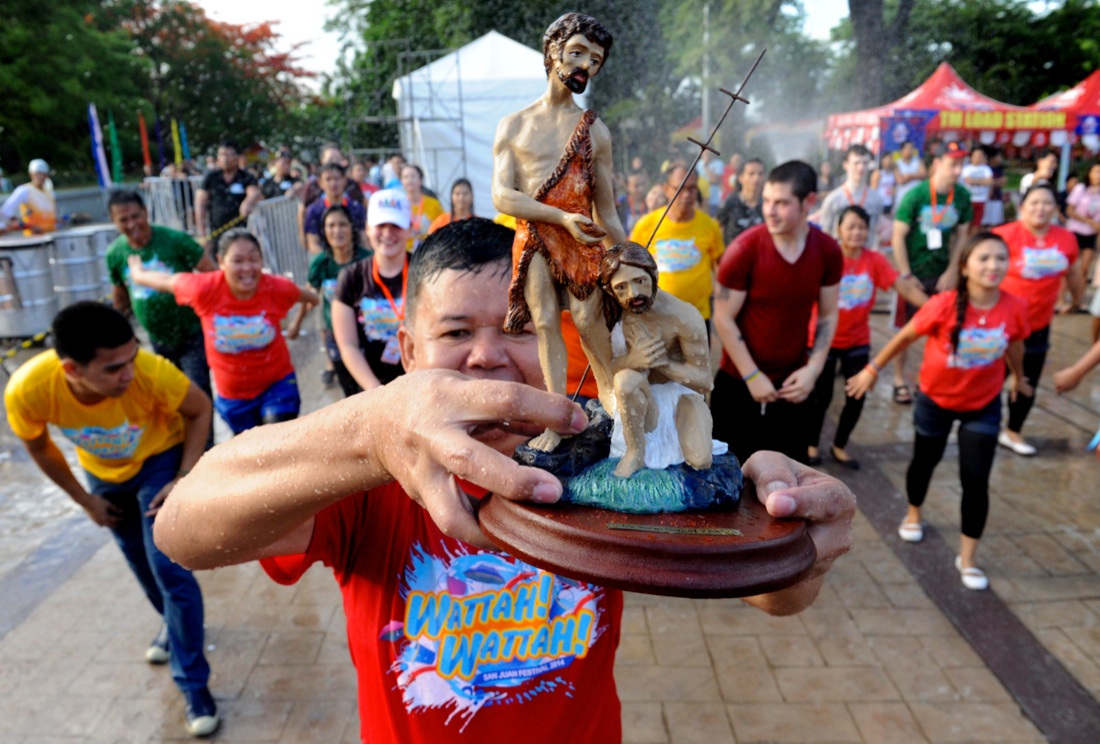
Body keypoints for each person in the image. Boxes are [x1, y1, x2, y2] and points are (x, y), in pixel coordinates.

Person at [151, 216, 856, 743]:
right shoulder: (368, 471)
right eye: (455, 333)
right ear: (408, 349)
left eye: (519, 329)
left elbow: (775, 597)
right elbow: (183, 529)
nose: (487, 357)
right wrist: (367, 430)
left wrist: (792, 532)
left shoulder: (614, 458)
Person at [4, 302, 218, 737]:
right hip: (102, 476)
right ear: (72, 369)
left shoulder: (152, 373)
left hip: (160, 461)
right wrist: (85, 501)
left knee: (168, 567)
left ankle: (192, 682)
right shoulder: (29, 389)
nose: (130, 373)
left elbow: (200, 409)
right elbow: (40, 446)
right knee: (138, 561)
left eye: (132, 358)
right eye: (115, 368)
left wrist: (183, 478)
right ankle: (175, 627)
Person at [847, 232, 1031, 591]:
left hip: (984, 405)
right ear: (965, 266)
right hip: (935, 401)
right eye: (984, 259)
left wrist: (1018, 379)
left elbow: (1016, 346)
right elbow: (904, 338)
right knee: (924, 462)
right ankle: (914, 513)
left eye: (1000, 258)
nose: (993, 266)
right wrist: (872, 370)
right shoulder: (944, 304)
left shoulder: (1014, 307)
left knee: (976, 480)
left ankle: (968, 557)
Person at [492, 12, 627, 451]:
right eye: (577, 53)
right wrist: (559, 217)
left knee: (589, 320)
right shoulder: (513, 126)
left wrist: (628, 256)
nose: (585, 65)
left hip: (581, 240)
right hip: (534, 239)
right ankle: (557, 417)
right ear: (553, 53)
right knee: (546, 322)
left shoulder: (595, 132)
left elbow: (606, 210)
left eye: (596, 59)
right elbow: (502, 197)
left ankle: (610, 397)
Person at [712, 160, 842, 463]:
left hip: (792, 385)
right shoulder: (744, 249)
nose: (769, 210)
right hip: (738, 384)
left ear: (809, 201)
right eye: (767, 201)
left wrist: (814, 369)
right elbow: (723, 317)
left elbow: (828, 314)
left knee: (788, 480)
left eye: (781, 203)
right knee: (729, 481)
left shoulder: (826, 250)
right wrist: (752, 375)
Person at [127, 229, 318, 435]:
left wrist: (297, 323)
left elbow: (310, 298)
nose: (247, 268)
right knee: (251, 456)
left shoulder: (276, 287)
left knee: (275, 439)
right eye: (237, 260)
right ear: (221, 261)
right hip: (233, 396)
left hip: (277, 385)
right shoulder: (206, 289)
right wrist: (139, 275)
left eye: (253, 259)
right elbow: (167, 281)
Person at [806, 206, 929, 468]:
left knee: (857, 395)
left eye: (862, 227)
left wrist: (935, 310)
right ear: (838, 229)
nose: (856, 232)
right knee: (821, 396)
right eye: (850, 226)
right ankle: (811, 444)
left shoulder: (874, 261)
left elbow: (902, 286)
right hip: (822, 339)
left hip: (857, 340)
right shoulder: (827, 256)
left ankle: (839, 446)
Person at [105, 190, 216, 445]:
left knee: (197, 392)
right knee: (168, 398)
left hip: (192, 332)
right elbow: (120, 297)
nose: (132, 224)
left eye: (136, 216)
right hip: (157, 339)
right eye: (123, 220)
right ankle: (181, 452)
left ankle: (207, 452)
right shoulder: (115, 254)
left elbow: (211, 275)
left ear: (146, 213)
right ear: (114, 222)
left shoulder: (174, 240)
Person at [599, 242, 714, 477]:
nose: (633, 294)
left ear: (654, 275)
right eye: (621, 287)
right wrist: (633, 359)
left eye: (640, 281)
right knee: (625, 381)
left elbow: (705, 382)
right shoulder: (617, 315)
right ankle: (635, 451)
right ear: (611, 291)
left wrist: (663, 363)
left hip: (681, 396)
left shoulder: (685, 317)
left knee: (700, 460)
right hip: (643, 401)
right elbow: (610, 370)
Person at [992, 184, 1083, 456]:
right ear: (1022, 206)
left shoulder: (1066, 238)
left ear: (1055, 208)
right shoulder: (1004, 235)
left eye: (1046, 203)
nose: (1040, 208)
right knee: (991, 378)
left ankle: (1013, 431)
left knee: (1027, 380)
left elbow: (1074, 273)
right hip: (1001, 325)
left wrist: (1077, 302)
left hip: (1038, 325)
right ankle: (982, 427)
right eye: (1034, 202)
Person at [890, 141, 973, 404]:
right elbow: (897, 236)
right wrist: (905, 274)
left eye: (961, 164)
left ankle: (926, 379)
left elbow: (962, 236)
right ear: (936, 164)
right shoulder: (916, 195)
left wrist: (952, 271)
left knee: (941, 329)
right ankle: (898, 379)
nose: (957, 170)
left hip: (942, 275)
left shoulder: (962, 196)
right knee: (906, 328)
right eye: (952, 164)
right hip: (914, 273)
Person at [287, 204, 372, 397]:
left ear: (351, 227)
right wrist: (296, 322)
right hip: (335, 336)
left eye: (342, 224)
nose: (337, 231)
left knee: (370, 388)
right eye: (331, 225)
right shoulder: (320, 264)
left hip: (367, 335)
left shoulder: (367, 260)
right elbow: (310, 295)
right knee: (349, 391)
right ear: (324, 231)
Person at [332, 189, 412, 392]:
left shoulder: (427, 271)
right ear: (368, 228)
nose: (387, 233)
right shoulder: (351, 277)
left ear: (410, 229)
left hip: (419, 385)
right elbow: (348, 345)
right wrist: (376, 392)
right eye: (381, 225)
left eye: (396, 225)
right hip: (371, 389)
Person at [629, 162, 725, 323]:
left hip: (698, 318)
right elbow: (630, 268)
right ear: (666, 189)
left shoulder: (709, 225)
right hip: (658, 318)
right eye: (679, 189)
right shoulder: (647, 225)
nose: (686, 195)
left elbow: (720, 265)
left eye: (692, 189)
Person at [194, 141, 262, 252]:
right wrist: (202, 234)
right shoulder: (211, 177)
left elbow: (254, 192)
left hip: (240, 231)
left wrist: (248, 202)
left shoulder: (246, 177)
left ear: (237, 157)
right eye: (221, 154)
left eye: (229, 154)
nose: (225, 158)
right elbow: (200, 203)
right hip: (216, 231)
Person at [814, 144, 885, 244]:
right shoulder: (833, 199)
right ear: (846, 165)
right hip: (840, 256)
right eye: (856, 163)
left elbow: (875, 233)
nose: (861, 167)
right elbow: (824, 234)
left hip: (866, 256)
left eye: (865, 163)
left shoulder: (876, 199)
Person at [302, 162, 367, 255]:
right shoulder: (314, 211)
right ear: (320, 183)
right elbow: (313, 243)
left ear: (345, 180)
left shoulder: (356, 208)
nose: (333, 183)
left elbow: (364, 240)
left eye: (337, 179)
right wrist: (332, 261)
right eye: (328, 179)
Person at [1066, 163, 1100, 300]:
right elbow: (1070, 210)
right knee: (1069, 268)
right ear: (1089, 173)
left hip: (1091, 233)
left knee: (1085, 268)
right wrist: (1088, 221)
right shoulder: (1080, 189)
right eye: (1097, 171)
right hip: (1075, 231)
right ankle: (1061, 299)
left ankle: (1078, 299)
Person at [716, 157, 765, 246]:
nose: (756, 178)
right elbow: (716, 227)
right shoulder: (731, 202)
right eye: (751, 174)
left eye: (760, 174)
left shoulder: (767, 205)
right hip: (734, 256)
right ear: (741, 178)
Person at [0, 158, 56, 233]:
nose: (41, 177)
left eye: (44, 174)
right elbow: (6, 211)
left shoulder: (50, 192)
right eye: (38, 174)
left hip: (51, 235)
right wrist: (20, 223)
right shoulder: (24, 190)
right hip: (32, 239)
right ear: (31, 174)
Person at [401, 164, 444, 250]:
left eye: (413, 176)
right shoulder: (399, 205)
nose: (409, 180)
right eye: (405, 177)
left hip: (429, 251)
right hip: (405, 253)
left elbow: (443, 228)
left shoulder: (433, 204)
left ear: (420, 180)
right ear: (402, 181)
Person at [961, 148, 994, 230]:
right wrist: (983, 181)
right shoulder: (966, 169)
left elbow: (990, 181)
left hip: (981, 200)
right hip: (969, 200)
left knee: (978, 223)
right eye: (976, 156)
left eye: (980, 156)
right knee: (967, 222)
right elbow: (968, 180)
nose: (978, 158)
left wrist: (974, 181)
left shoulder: (987, 169)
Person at [893, 141, 927, 206]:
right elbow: (900, 181)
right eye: (908, 148)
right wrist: (917, 175)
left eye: (911, 148)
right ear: (901, 150)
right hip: (902, 199)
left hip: (917, 198)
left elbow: (924, 174)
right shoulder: (897, 164)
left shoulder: (918, 161)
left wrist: (909, 176)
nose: (910, 150)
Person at [615, 169, 649, 234]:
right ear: (627, 187)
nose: (641, 189)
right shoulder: (619, 204)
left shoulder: (651, 201)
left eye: (643, 184)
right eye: (636, 186)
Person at [870, 152, 897, 216]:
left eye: (890, 159)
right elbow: (873, 190)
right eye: (887, 159)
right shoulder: (878, 173)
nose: (889, 161)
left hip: (889, 202)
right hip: (880, 203)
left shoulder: (892, 173)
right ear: (882, 160)